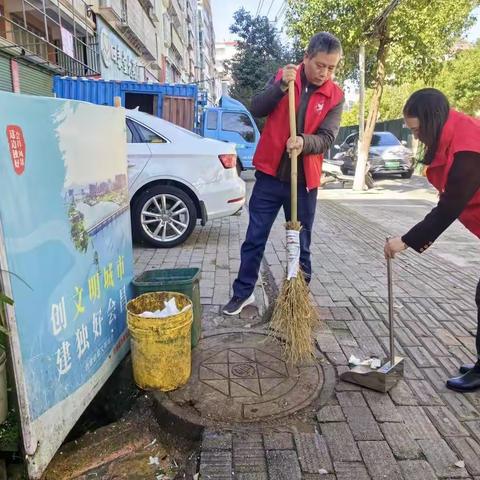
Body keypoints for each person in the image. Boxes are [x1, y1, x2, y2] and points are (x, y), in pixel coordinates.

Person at [223, 32, 344, 316]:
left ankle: (296, 300)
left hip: (304, 184)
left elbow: (327, 137)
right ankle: (243, 294)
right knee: (255, 237)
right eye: (320, 65)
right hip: (269, 176)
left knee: (301, 243)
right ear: (306, 58)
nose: (325, 73)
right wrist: (279, 87)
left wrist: (303, 141)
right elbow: (257, 107)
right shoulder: (284, 78)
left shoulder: (335, 97)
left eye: (331, 68)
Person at [384, 88, 480, 392]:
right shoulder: (456, 133)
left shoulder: (468, 148)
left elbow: (449, 208)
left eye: (417, 130)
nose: (417, 137)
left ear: (432, 121)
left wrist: (406, 241)